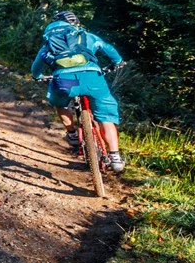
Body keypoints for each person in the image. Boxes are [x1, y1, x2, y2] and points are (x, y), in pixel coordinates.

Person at [30, 10, 127, 173]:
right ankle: (115, 157)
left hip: (65, 81)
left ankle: (72, 134)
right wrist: (117, 62)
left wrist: (37, 76)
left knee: (59, 103)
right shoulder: (86, 36)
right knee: (106, 116)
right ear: (74, 23)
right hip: (92, 79)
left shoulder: (50, 41)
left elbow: (36, 68)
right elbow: (108, 49)